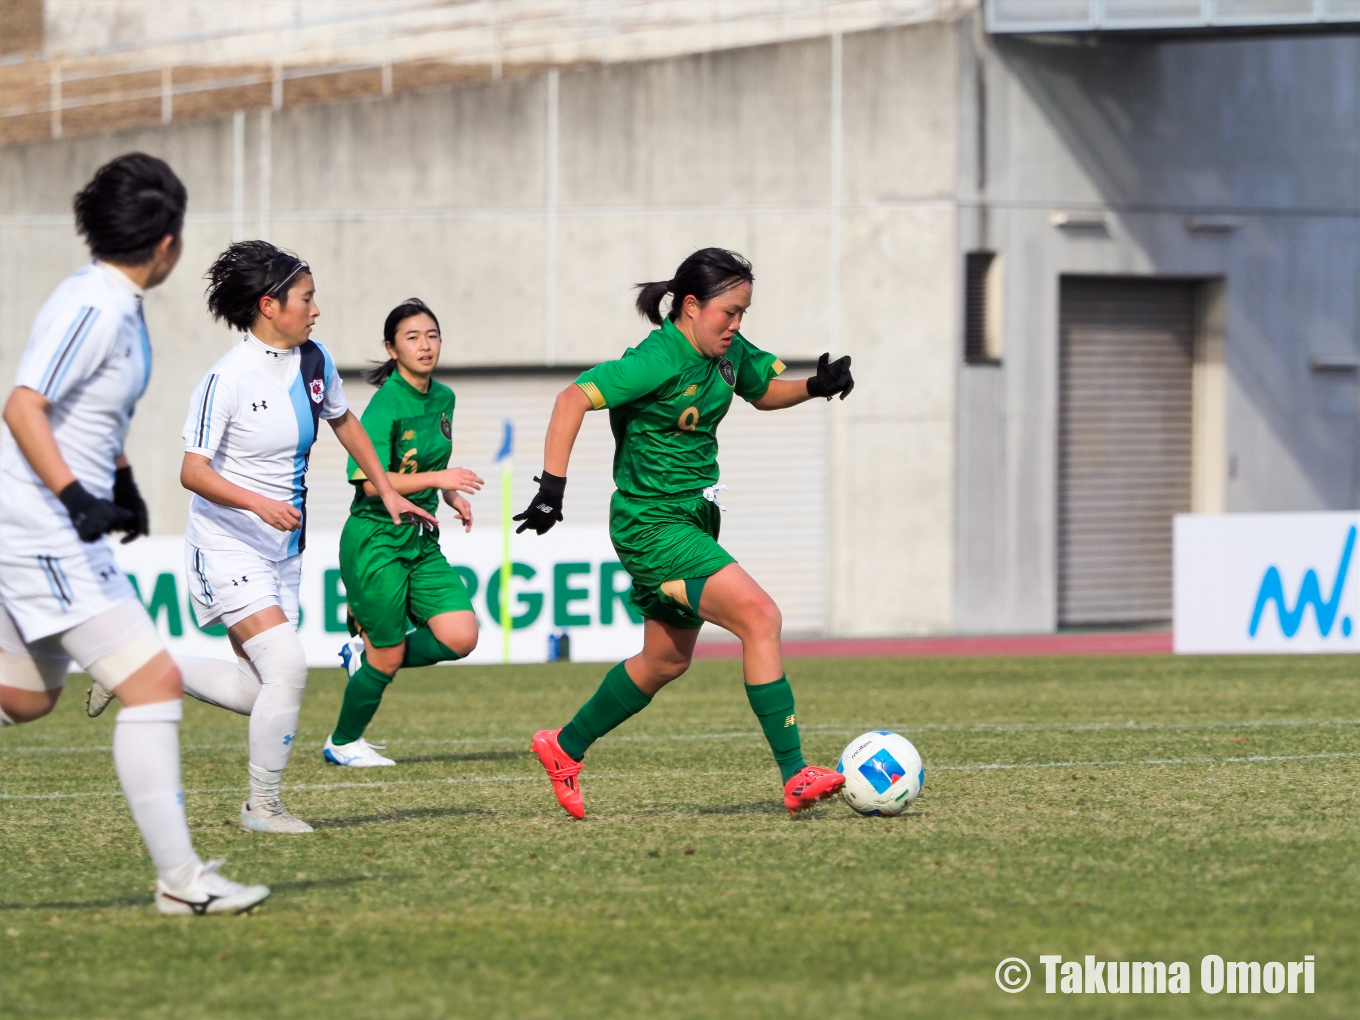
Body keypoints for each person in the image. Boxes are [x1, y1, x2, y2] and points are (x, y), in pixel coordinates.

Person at [0, 153, 269, 914]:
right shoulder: (95, 306)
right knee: (151, 685)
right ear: (168, 243)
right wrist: (74, 496)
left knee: (24, 697)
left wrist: (116, 478)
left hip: (54, 525)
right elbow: (24, 406)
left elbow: (87, 411)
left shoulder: (112, 300)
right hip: (41, 530)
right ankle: (182, 884)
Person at [516, 247, 856, 819]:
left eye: (744, 312)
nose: (737, 324)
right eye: (729, 312)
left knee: (664, 662)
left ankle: (564, 747)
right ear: (692, 305)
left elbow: (761, 390)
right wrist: (553, 487)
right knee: (761, 617)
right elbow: (571, 398)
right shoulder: (657, 359)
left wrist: (814, 387)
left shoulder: (726, 351)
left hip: (693, 519)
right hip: (653, 525)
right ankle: (796, 774)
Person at [169, 241, 438, 833]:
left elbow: (344, 421)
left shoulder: (315, 360)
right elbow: (193, 471)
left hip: (281, 551)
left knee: (255, 687)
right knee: (289, 669)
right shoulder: (227, 378)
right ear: (270, 305)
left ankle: (144, 667)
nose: (316, 310)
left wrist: (387, 488)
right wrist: (259, 504)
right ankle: (261, 808)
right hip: (226, 543)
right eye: (307, 298)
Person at [324, 298, 482, 768]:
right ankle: (342, 742)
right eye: (412, 337)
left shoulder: (444, 398)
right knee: (388, 657)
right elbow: (368, 481)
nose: (425, 345)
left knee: (461, 636)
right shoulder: (385, 404)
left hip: (419, 538)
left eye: (432, 335)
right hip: (375, 539)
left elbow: (425, 466)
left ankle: (366, 656)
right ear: (391, 349)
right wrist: (438, 481)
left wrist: (449, 493)